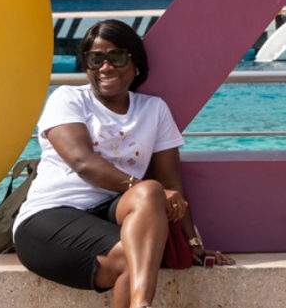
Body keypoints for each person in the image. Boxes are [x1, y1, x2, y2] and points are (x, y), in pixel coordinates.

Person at [12, 20, 223, 308]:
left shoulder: (154, 109)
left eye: (116, 57)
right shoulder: (67, 99)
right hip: (50, 216)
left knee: (150, 197)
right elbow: (82, 162)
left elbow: (173, 185)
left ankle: (140, 305)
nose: (105, 67)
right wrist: (147, 189)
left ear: (135, 63)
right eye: (95, 59)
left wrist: (193, 244)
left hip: (113, 213)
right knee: (135, 244)